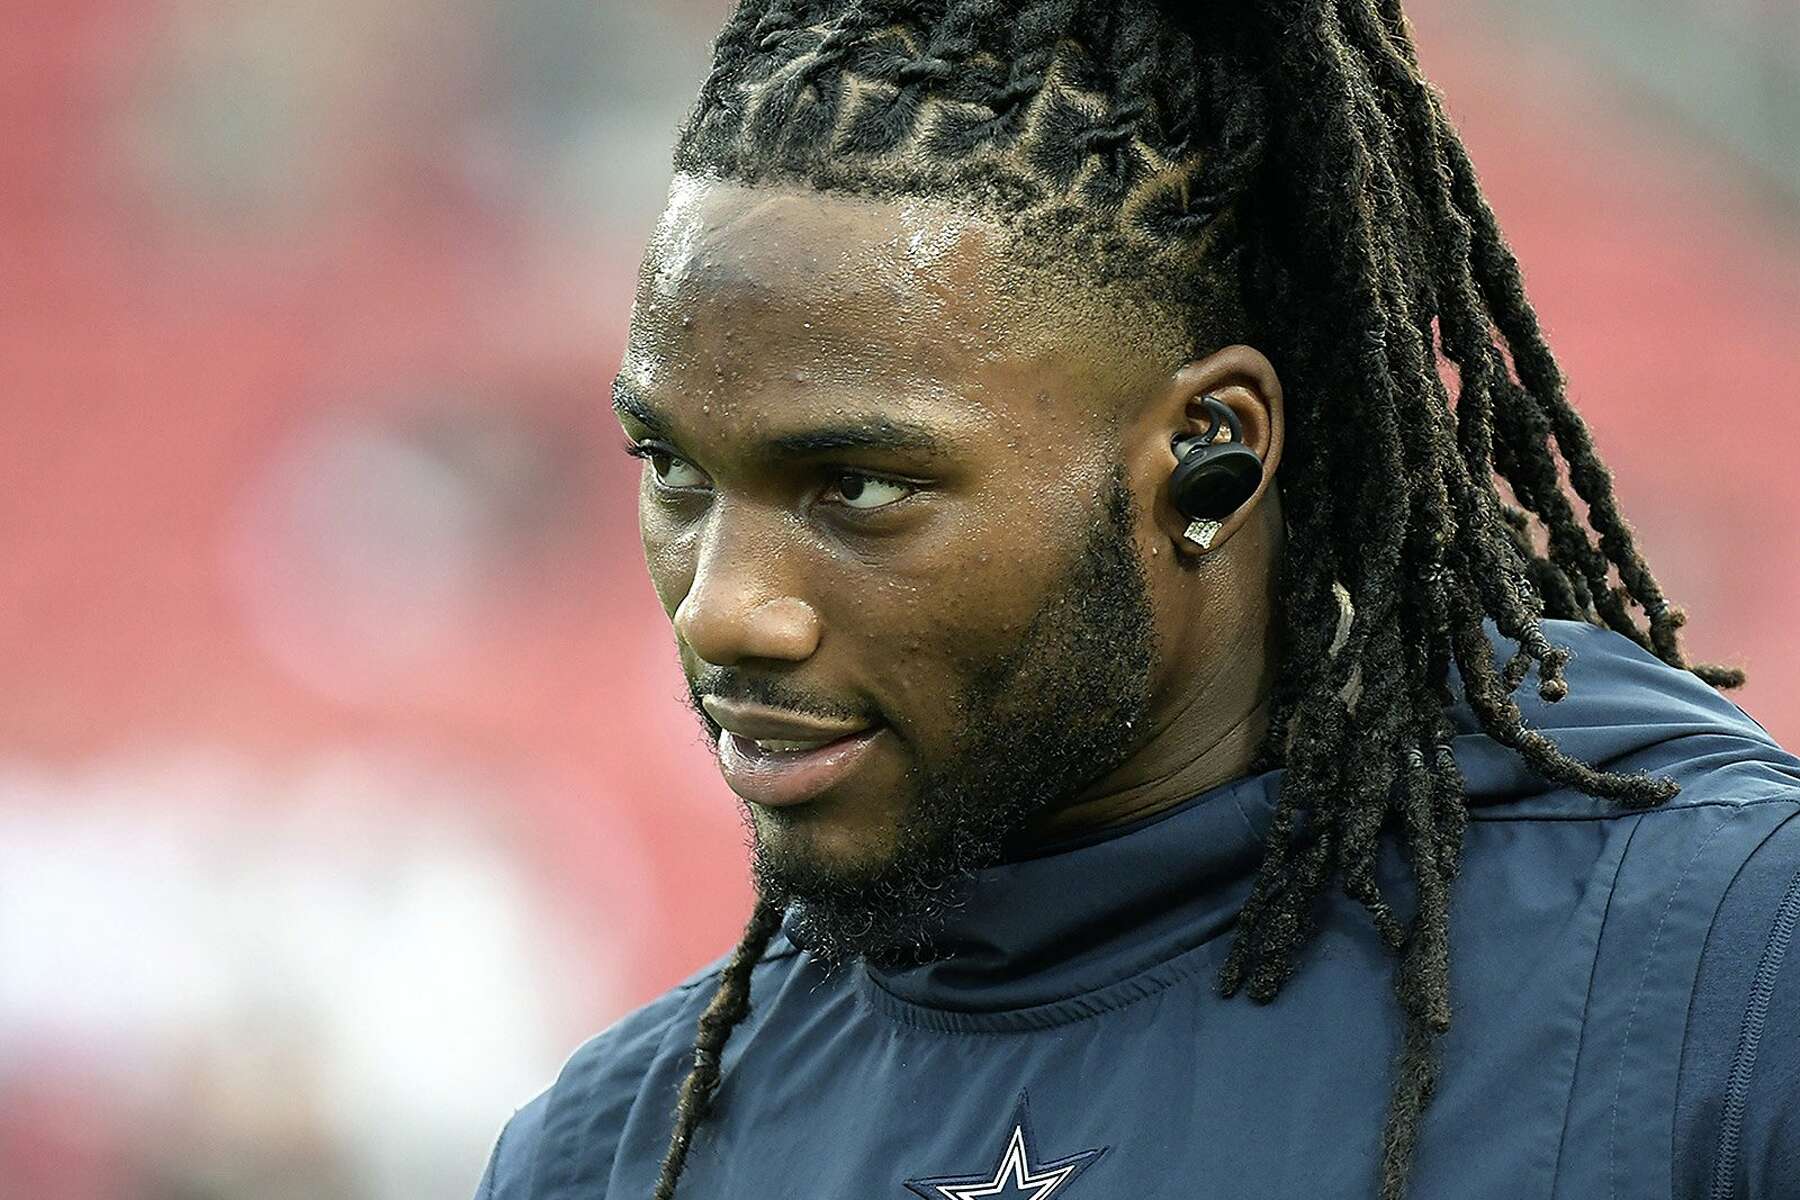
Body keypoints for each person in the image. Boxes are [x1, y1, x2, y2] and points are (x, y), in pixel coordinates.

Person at [476, 2, 1800, 1196]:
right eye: (673, 470)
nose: (722, 613)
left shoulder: (1732, 984)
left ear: (1206, 456)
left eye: (863, 488)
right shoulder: (615, 1153)